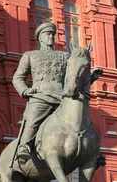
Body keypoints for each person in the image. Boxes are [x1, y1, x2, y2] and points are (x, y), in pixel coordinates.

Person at [12, 22, 102, 160]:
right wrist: (25, 90)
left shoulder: (65, 56)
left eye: (53, 35)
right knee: (33, 118)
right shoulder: (30, 55)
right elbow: (18, 77)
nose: (51, 37)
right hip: (41, 96)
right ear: (40, 38)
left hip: (63, 97)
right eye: (48, 34)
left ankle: (91, 149)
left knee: (81, 118)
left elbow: (74, 76)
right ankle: (24, 146)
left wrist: (91, 77)